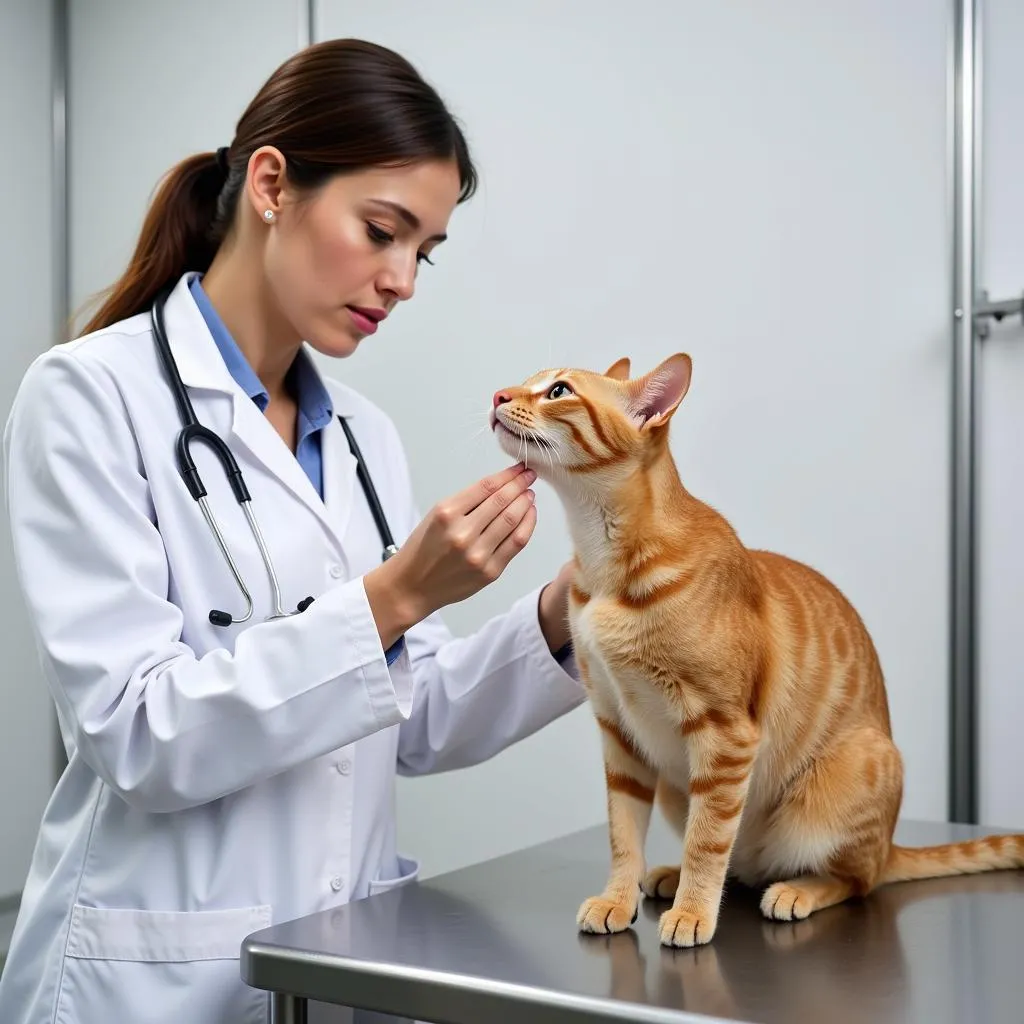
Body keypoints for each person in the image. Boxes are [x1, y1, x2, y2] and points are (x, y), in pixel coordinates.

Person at [0, 38, 583, 1024]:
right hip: (152, 975)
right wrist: (400, 592)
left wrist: (574, 609)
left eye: (423, 251)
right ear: (272, 183)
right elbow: (136, 735)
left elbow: (415, 711)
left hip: (335, 967)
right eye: (382, 230)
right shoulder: (89, 394)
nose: (402, 279)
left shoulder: (361, 436)